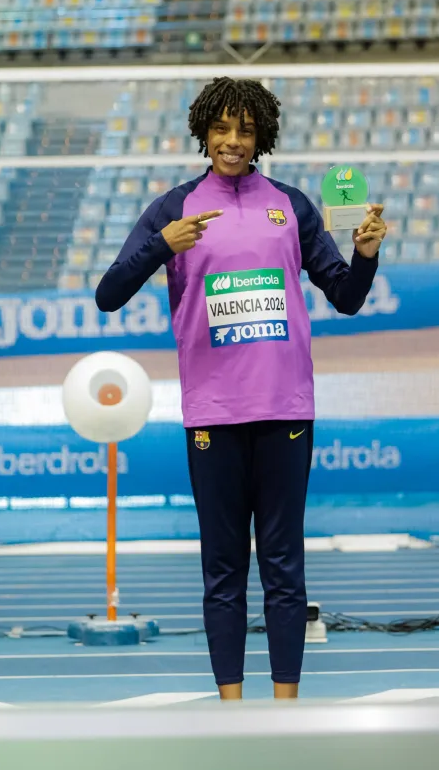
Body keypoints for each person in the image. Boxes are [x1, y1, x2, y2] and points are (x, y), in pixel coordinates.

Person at [96, 77, 387, 701]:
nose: (233, 141)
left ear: (261, 138)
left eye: (246, 130)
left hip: (285, 409)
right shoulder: (172, 209)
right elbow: (108, 295)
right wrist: (159, 246)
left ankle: (284, 709)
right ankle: (233, 713)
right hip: (213, 414)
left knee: (284, 567)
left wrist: (364, 255)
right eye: (222, 129)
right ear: (204, 132)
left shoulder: (292, 205)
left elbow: (347, 296)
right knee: (222, 571)